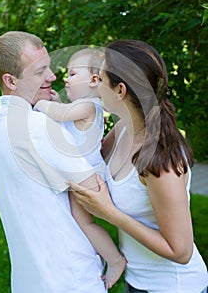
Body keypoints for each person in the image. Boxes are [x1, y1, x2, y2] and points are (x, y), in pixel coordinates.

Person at [69, 39, 208, 293]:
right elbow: (86, 157)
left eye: (100, 80)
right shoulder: (123, 128)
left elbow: (181, 251)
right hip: (136, 283)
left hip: (174, 287)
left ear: (120, 90)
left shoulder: (162, 158)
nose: (96, 87)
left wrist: (110, 213)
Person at [0, 31, 111, 293]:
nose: (52, 76)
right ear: (11, 80)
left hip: (30, 279)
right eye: (40, 70)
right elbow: (97, 193)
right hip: (70, 278)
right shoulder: (37, 125)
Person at [34, 48, 126, 289]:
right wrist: (55, 102)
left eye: (72, 74)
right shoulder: (84, 107)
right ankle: (103, 258)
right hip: (83, 173)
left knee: (85, 223)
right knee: (80, 222)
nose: (66, 78)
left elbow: (62, 114)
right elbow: (65, 119)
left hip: (88, 175)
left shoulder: (90, 106)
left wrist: (42, 103)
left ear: (94, 80)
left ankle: (115, 260)